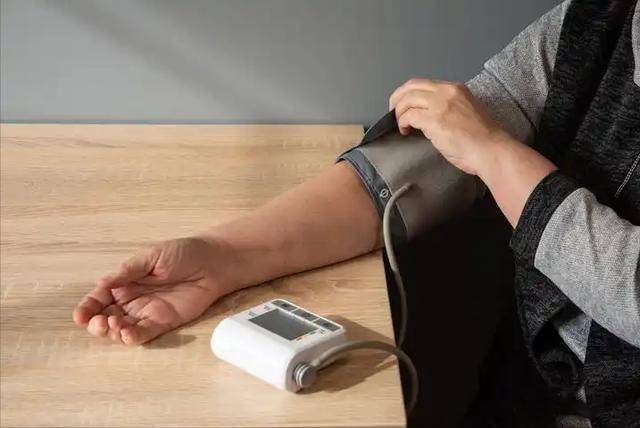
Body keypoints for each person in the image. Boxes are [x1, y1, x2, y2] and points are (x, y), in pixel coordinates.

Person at [73, 0, 639, 426]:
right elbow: (437, 155)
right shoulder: (599, 19)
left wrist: (492, 152)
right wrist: (223, 258)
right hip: (524, 395)